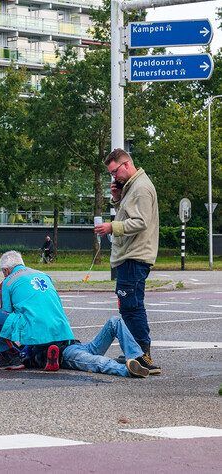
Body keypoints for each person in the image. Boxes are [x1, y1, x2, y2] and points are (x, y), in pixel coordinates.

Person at [94, 150, 160, 374]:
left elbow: (140, 222)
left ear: (126, 164)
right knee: (128, 306)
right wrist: (117, 200)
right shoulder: (132, 187)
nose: (114, 177)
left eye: (115, 172)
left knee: (132, 306)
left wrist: (112, 226)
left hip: (135, 254)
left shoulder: (141, 188)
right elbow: (128, 214)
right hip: (129, 254)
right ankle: (135, 351)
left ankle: (143, 354)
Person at [0, 251, 74, 370]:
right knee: (30, 345)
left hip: (34, 328)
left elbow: (6, 315)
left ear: (6, 270)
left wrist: (12, 344)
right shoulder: (44, 275)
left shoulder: (8, 281)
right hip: (62, 332)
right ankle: (45, 354)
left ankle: (7, 357)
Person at [61, 317, 150, 378]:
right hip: (65, 352)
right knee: (98, 361)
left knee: (115, 321)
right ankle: (128, 370)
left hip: (77, 345)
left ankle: (136, 357)